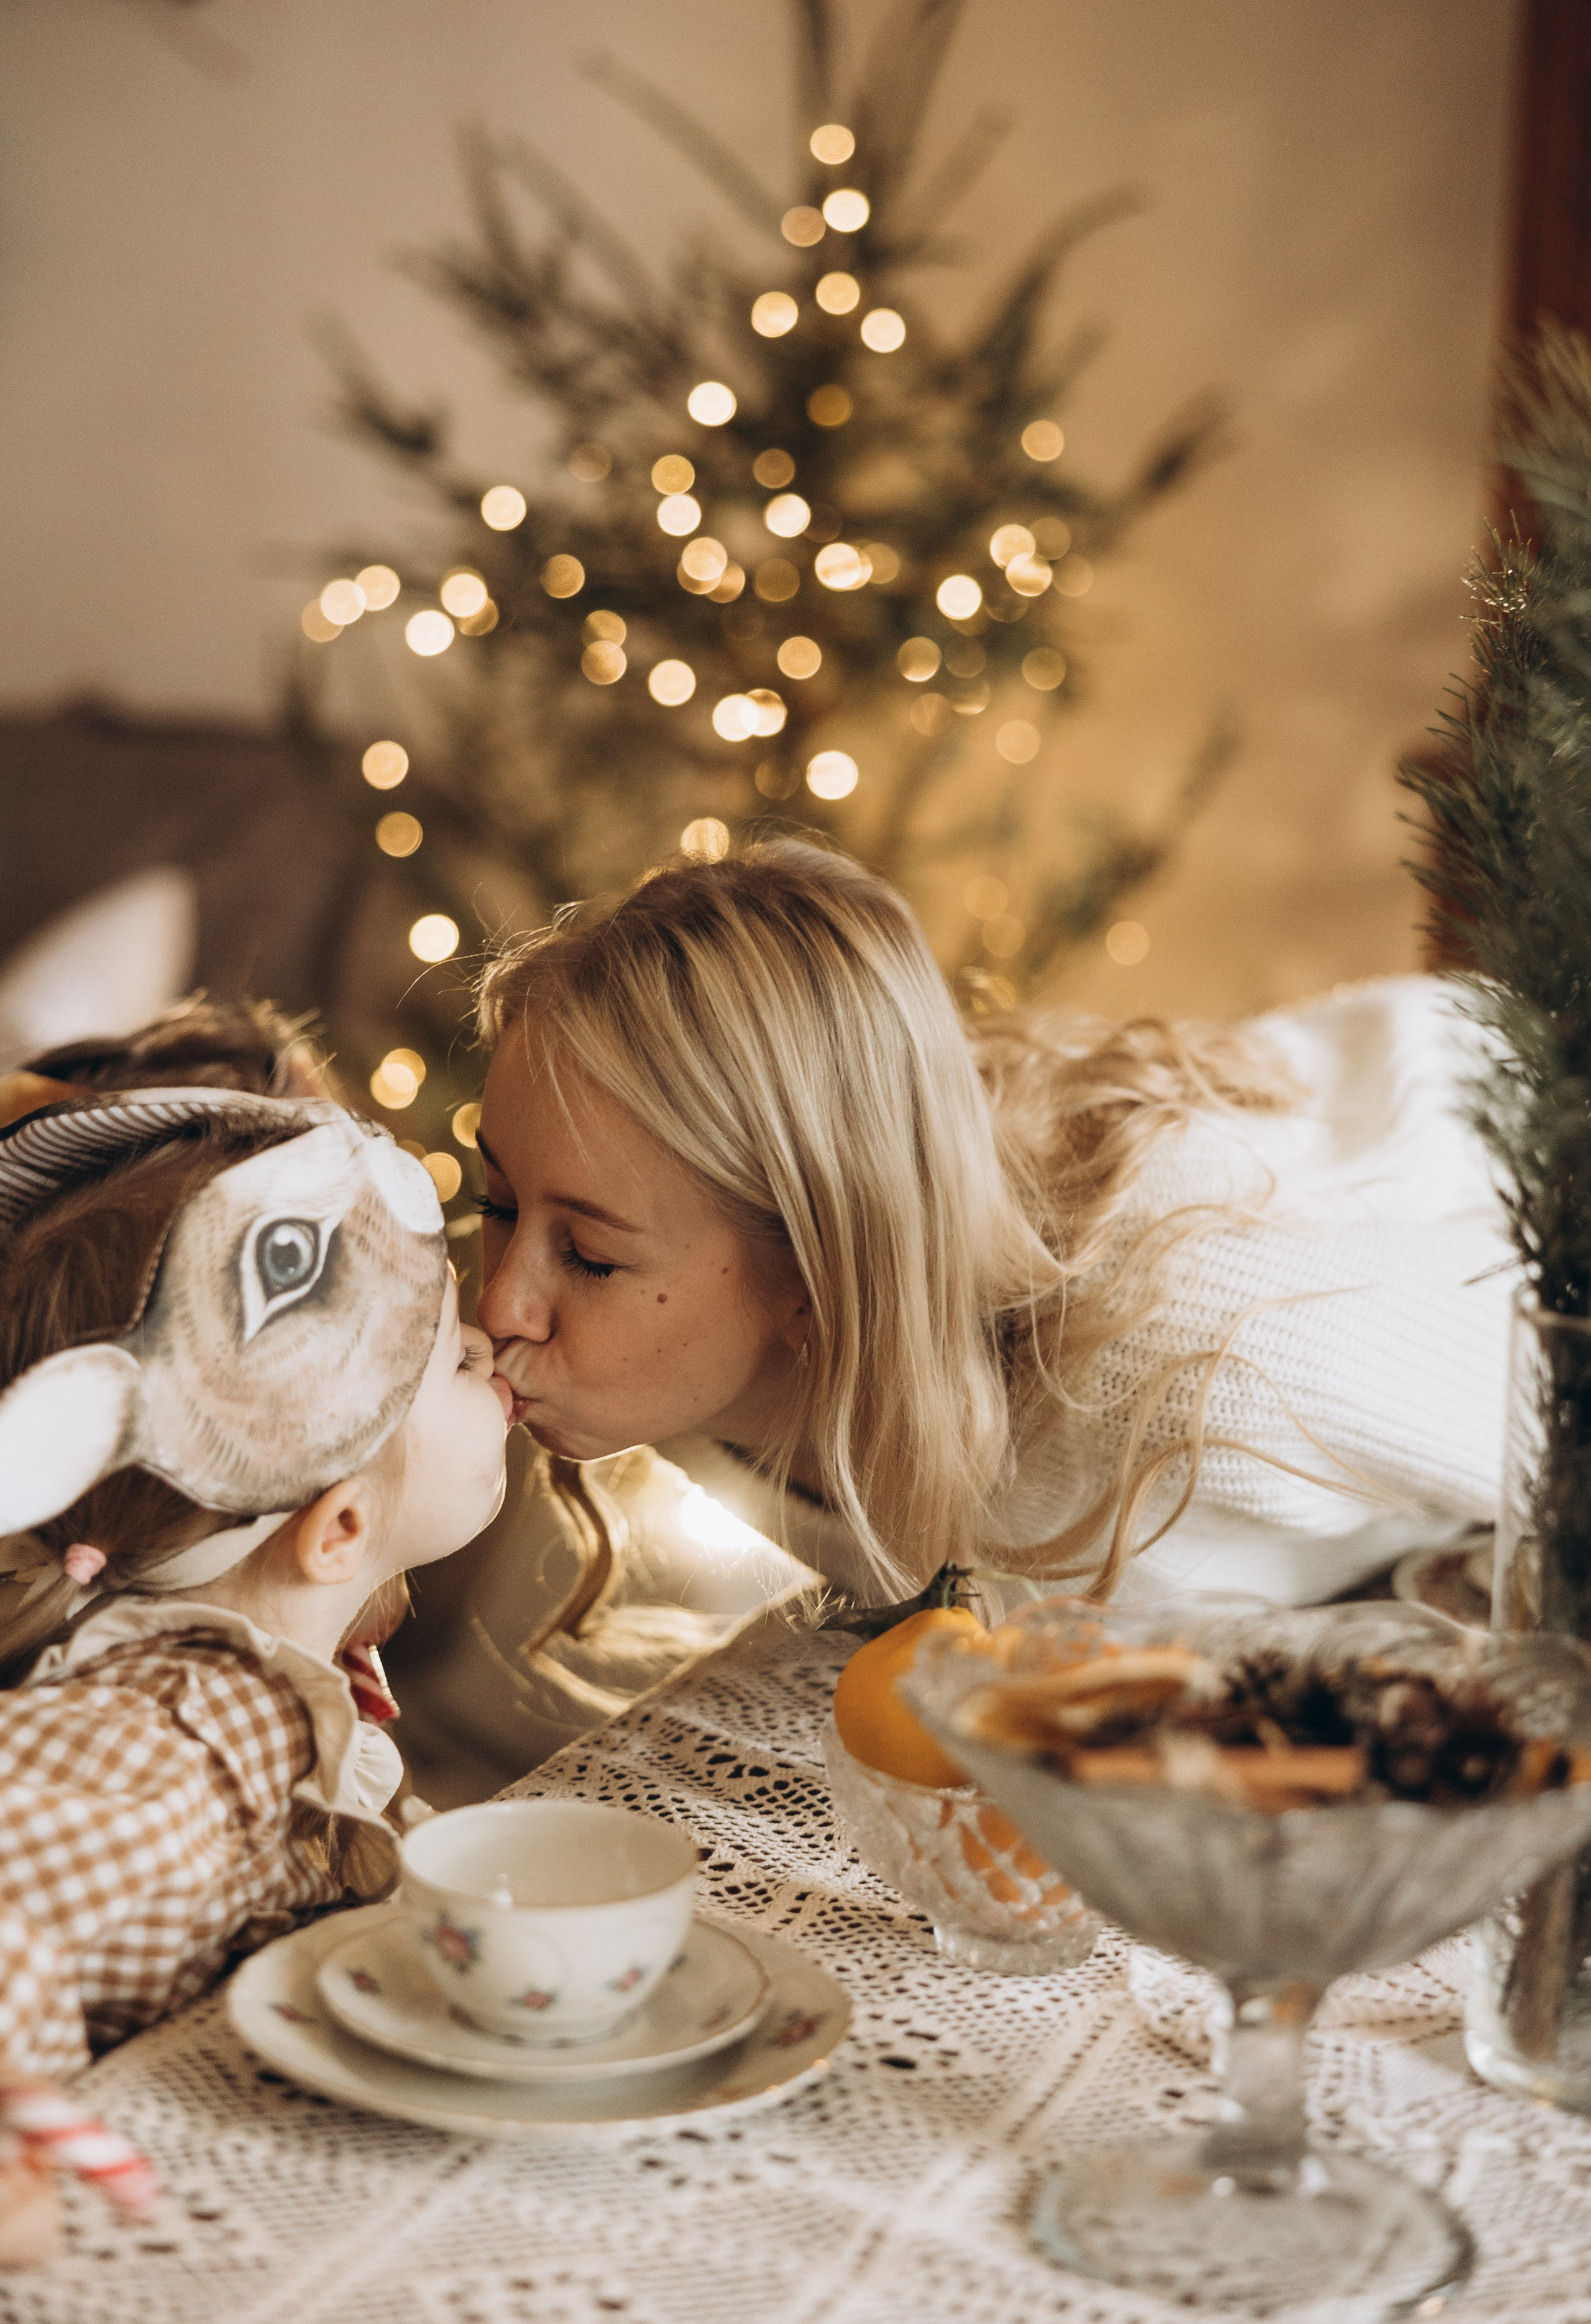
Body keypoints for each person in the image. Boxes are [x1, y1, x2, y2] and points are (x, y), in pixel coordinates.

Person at [421, 838, 1508, 1781]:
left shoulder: (1199, 1351)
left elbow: (1563, 1391)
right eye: (498, 1203)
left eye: (594, 1257)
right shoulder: (697, 1367)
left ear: (817, 1273)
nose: (502, 1298)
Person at [0, 1081, 510, 2249]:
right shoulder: (181, 1742)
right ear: (336, 1530)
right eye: (444, 1360)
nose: (488, 1339)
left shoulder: (267, 1697)